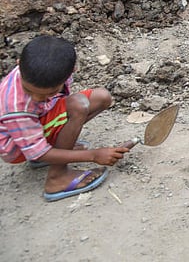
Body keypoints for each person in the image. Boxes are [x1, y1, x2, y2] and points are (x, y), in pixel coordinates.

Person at [0, 35, 130, 201]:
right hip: (18, 148)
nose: (38, 98)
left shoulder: (51, 72)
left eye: (50, 93)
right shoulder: (16, 107)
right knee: (78, 106)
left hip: (36, 123)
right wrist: (93, 155)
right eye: (29, 91)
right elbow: (38, 153)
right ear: (18, 65)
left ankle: (55, 147)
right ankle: (57, 178)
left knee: (102, 98)